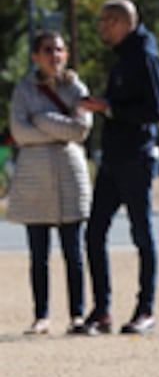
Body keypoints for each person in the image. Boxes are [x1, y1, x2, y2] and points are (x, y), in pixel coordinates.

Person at [79, 0, 159, 334]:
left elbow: (157, 110)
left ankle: (146, 310)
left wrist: (109, 108)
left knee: (141, 233)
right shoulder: (123, 57)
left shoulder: (144, 56)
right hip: (113, 158)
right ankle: (102, 311)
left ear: (119, 22)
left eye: (104, 21)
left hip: (136, 157)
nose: (100, 28)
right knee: (94, 232)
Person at [7, 31, 93, 335]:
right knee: (38, 255)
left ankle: (77, 314)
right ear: (35, 56)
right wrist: (59, 128)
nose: (53, 55)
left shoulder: (77, 88)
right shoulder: (23, 90)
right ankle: (41, 315)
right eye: (47, 50)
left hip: (69, 175)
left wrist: (41, 120)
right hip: (35, 178)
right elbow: (19, 131)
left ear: (65, 54)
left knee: (74, 252)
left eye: (58, 49)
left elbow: (81, 129)